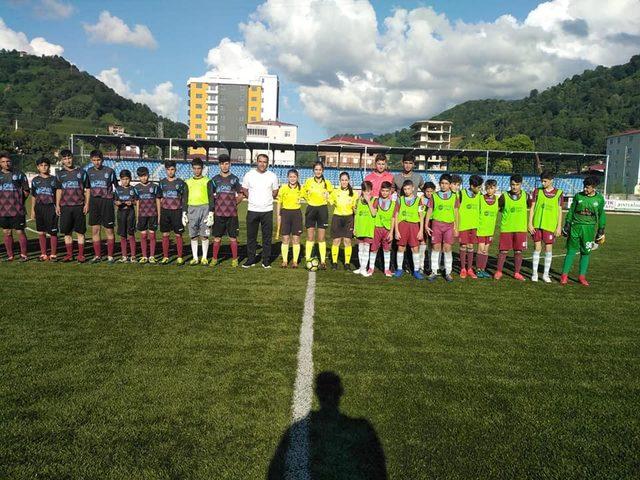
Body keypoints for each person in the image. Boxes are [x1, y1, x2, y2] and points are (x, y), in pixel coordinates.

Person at [560, 176, 606, 286]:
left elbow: (601, 215)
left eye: (588, 187)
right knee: (571, 251)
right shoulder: (578, 196)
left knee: (585, 253)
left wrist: (601, 229)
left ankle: (582, 277)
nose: (585, 189)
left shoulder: (599, 199)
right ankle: (564, 276)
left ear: (594, 188)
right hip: (575, 227)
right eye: (585, 187)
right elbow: (571, 210)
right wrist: (567, 224)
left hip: (589, 229)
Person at [241, 153, 279, 268]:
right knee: (251, 237)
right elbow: (244, 189)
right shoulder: (249, 175)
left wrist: (266, 199)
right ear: (256, 162)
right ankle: (251, 259)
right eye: (260, 161)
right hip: (252, 210)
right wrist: (252, 199)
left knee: (267, 237)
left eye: (265, 162)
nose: (262, 164)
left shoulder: (272, 176)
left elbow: (275, 192)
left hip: (267, 210)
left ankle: (266, 260)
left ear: (268, 163)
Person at [528, 170, 563, 283]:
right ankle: (534, 274)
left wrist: (558, 227)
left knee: (548, 249)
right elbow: (532, 208)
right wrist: (530, 223)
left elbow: (560, 211)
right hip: (537, 224)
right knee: (537, 248)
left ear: (551, 181)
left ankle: (546, 274)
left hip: (550, 226)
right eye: (542, 181)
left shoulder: (559, 193)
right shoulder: (537, 191)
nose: (543, 183)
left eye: (545, 181)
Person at [55, 149, 89, 262]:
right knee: (67, 232)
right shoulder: (59, 174)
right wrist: (58, 205)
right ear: (62, 160)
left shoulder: (82, 173)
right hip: (65, 207)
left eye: (69, 158)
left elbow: (88, 189)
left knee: (80, 232)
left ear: (72, 158)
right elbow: (59, 190)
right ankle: (69, 255)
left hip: (79, 206)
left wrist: (87, 204)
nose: (68, 160)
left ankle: (81, 255)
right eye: (65, 159)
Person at [210, 154, 243, 267]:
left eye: (226, 163)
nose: (224, 166)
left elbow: (241, 194)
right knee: (217, 238)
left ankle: (235, 259)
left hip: (232, 214)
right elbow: (211, 196)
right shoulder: (215, 180)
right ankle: (214, 259)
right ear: (219, 165)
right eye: (222, 164)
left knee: (233, 238)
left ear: (230, 164)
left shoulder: (234, 179)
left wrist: (234, 203)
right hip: (218, 214)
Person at [494, 174, 529, 281]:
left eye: (517, 185)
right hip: (507, 229)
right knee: (503, 251)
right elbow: (497, 209)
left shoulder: (526, 196)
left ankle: (517, 273)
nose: (514, 187)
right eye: (513, 184)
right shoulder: (504, 196)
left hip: (520, 229)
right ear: (510, 184)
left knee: (518, 251)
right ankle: (499, 271)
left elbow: (531, 208)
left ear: (521, 185)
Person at [425, 173, 459, 282]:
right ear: (439, 184)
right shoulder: (434, 196)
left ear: (450, 185)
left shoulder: (454, 196)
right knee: (436, 248)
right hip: (436, 225)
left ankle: (448, 272)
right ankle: (434, 271)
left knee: (447, 248)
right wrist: (426, 224)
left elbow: (456, 212)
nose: (443, 185)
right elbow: (429, 210)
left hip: (449, 226)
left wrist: (456, 228)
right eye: (442, 183)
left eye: (446, 183)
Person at [86, 150, 118, 263]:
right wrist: (87, 204)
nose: (96, 162)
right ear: (91, 160)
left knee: (109, 230)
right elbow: (88, 189)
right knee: (95, 230)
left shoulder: (110, 171)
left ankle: (110, 256)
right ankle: (97, 255)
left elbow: (116, 187)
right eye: (94, 160)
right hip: (94, 202)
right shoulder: (88, 172)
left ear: (102, 160)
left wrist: (117, 200)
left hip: (107, 202)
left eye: (98, 160)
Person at [302, 161, 333, 269]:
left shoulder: (327, 183)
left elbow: (331, 195)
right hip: (311, 209)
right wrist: (308, 199)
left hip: (322, 210)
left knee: (321, 237)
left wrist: (328, 198)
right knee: (310, 236)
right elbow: (303, 192)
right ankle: (307, 260)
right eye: (316, 169)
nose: (318, 171)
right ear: (313, 170)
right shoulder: (308, 181)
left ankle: (323, 261)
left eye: (320, 170)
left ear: (322, 170)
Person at [184, 158, 214, 266]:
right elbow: (185, 198)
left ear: (202, 168)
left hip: (205, 209)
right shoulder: (187, 182)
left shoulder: (207, 181)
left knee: (204, 235)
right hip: (191, 209)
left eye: (199, 168)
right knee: (193, 235)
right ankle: (195, 258)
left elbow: (211, 197)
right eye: (195, 168)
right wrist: (184, 212)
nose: (197, 171)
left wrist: (211, 213)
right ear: (192, 169)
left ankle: (204, 258)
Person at [0, 150, 30, 261]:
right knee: (6, 232)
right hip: (2, 210)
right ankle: (10, 255)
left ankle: (23, 255)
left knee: (20, 231)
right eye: (3, 161)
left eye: (8, 161)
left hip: (17, 210)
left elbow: (26, 191)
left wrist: (19, 201)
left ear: (11, 161)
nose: (6, 163)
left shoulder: (19, 174)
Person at [393, 180, 425, 280]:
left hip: (414, 226)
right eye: (405, 189)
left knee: (415, 248)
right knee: (401, 248)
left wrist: (421, 231)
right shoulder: (400, 199)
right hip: (402, 226)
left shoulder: (419, 200)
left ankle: (416, 270)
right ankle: (399, 269)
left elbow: (421, 216)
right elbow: (396, 215)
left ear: (413, 189)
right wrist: (396, 230)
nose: (407, 191)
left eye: (408, 189)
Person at [158, 160, 187, 265]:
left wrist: (184, 212)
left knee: (178, 234)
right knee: (165, 234)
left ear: (175, 170)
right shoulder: (162, 183)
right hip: (165, 211)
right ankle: (165, 256)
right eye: (168, 170)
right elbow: (159, 198)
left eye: (172, 169)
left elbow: (184, 198)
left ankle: (179, 257)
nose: (170, 172)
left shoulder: (181, 183)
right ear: (165, 170)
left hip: (177, 212)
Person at [30, 157, 58, 261]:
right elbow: (33, 196)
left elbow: (58, 194)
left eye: (45, 165)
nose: (43, 167)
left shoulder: (54, 179)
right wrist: (33, 209)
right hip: (39, 207)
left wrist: (58, 207)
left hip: (51, 207)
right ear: (38, 167)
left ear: (49, 166)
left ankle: (53, 254)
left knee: (52, 232)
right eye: (41, 165)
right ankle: (43, 254)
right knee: (41, 231)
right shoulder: (35, 180)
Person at [329, 172, 357, 270]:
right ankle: (334, 262)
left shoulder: (353, 194)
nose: (344, 182)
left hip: (349, 218)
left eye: (346, 180)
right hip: (337, 217)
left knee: (347, 241)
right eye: (342, 180)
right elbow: (329, 201)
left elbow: (355, 210)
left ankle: (347, 263)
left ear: (348, 181)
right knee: (336, 240)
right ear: (339, 181)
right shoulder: (334, 192)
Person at [133, 166, 161, 264]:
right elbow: (137, 203)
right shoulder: (136, 188)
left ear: (148, 175)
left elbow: (158, 201)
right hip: (142, 215)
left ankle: (152, 256)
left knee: (152, 236)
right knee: (143, 236)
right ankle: (144, 256)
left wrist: (159, 215)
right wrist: (137, 217)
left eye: (145, 175)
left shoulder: (155, 186)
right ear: (138, 177)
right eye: (141, 176)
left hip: (153, 214)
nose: (143, 178)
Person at [457, 174, 483, 279]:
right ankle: (463, 268)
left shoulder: (480, 195)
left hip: (474, 226)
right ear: (472, 186)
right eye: (479, 187)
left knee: (471, 247)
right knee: (463, 246)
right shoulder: (461, 194)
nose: (480, 189)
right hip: (463, 226)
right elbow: (456, 210)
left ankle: (470, 269)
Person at [276, 169, 303, 268]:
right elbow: (279, 203)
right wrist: (278, 215)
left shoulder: (301, 189)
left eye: (294, 177)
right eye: (290, 177)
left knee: (296, 238)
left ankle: (295, 261)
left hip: (296, 214)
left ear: (297, 177)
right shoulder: (283, 188)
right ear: (288, 177)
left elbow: (309, 197)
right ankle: (285, 261)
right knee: (285, 238)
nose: (292, 178)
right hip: (285, 213)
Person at [475, 179, 499, 278]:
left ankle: (483, 269)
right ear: (485, 188)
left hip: (490, 230)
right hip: (481, 229)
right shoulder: (480, 198)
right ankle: (478, 269)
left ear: (495, 189)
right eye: (488, 188)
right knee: (480, 250)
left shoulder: (497, 199)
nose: (489, 190)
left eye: (492, 188)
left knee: (486, 250)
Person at [371, 181, 395, 277]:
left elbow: (393, 218)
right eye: (383, 190)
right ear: (380, 191)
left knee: (387, 250)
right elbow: (373, 214)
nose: (384, 192)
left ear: (390, 192)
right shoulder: (376, 201)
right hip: (377, 228)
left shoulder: (393, 204)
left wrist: (391, 232)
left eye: (387, 191)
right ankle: (371, 268)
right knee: (374, 249)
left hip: (387, 230)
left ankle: (386, 269)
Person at [353, 180, 377, 276]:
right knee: (360, 249)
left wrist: (368, 202)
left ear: (371, 190)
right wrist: (355, 228)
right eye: (365, 191)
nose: (367, 193)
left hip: (368, 229)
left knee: (366, 249)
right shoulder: (358, 201)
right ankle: (360, 267)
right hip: (360, 228)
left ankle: (364, 268)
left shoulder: (374, 200)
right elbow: (356, 215)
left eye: (369, 191)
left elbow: (374, 213)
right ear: (362, 191)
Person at [114, 169, 137, 263]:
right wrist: (117, 203)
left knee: (131, 234)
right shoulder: (118, 189)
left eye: (127, 179)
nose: (125, 181)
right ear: (120, 180)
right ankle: (124, 256)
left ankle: (133, 256)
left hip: (130, 213)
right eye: (123, 179)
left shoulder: (133, 189)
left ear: (130, 179)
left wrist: (131, 202)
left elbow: (136, 201)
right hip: (121, 214)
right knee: (123, 235)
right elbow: (115, 201)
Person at [419, 182, 436, 273]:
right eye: (427, 191)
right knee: (422, 244)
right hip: (423, 222)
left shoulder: (436, 198)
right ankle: (421, 266)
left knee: (432, 245)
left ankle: (431, 266)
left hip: (433, 223)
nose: (429, 193)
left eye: (431, 191)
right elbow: (420, 212)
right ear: (424, 191)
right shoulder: (421, 199)